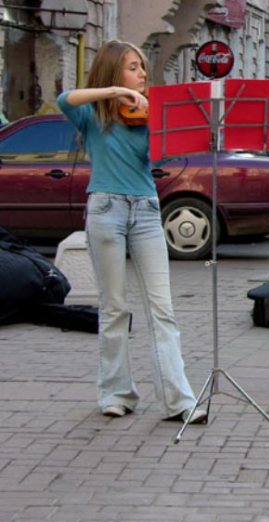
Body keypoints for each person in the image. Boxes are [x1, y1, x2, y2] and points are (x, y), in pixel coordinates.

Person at [57, 40, 206, 423]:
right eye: (133, 67)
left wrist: (162, 122)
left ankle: (179, 400)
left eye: (142, 68)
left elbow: (163, 156)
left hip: (145, 209)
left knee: (162, 309)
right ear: (113, 73)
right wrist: (114, 92)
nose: (142, 74)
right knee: (114, 307)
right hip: (105, 208)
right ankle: (116, 392)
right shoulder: (93, 115)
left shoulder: (151, 113)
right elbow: (63, 99)